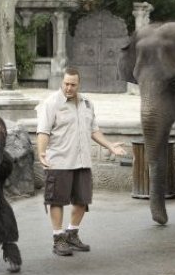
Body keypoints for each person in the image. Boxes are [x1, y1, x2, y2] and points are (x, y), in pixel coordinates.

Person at [36, 67, 127, 256]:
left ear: (79, 84)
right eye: (66, 84)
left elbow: (94, 130)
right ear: (62, 82)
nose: (69, 88)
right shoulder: (52, 103)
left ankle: (72, 234)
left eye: (73, 85)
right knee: (57, 201)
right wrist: (41, 152)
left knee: (82, 200)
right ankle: (58, 239)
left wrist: (110, 146)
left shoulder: (87, 103)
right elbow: (43, 131)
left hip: (82, 161)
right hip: (59, 161)